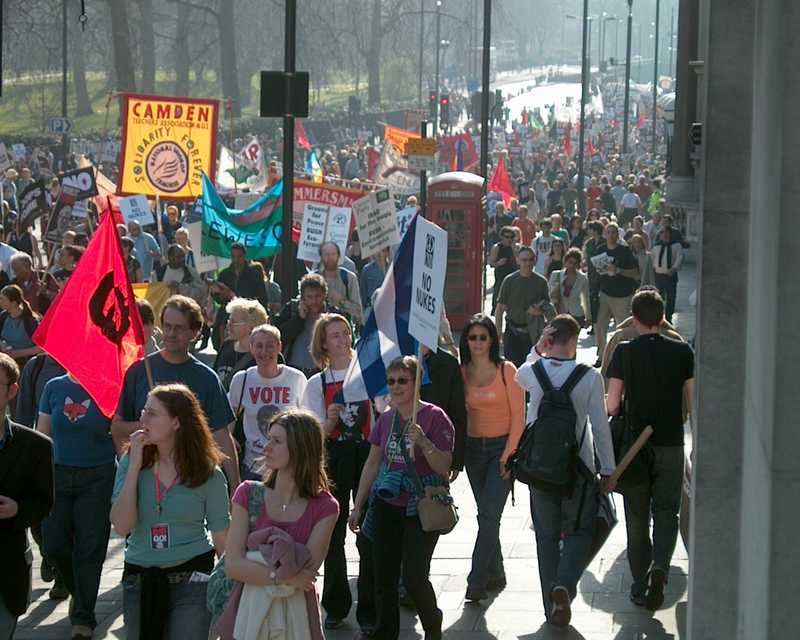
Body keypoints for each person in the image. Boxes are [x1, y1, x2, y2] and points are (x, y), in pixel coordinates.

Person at [515, 318, 615, 627]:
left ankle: (551, 608)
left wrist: (537, 348)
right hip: (577, 470)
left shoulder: (533, 372)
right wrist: (608, 469)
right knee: (582, 530)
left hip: (539, 469)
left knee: (545, 537)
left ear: (550, 339)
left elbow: (518, 372)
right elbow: (600, 427)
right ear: (574, 341)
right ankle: (565, 583)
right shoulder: (589, 377)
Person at [110, 384, 231, 639]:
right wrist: (133, 466)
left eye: (152, 413)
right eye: (144, 411)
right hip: (140, 578)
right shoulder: (131, 462)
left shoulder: (208, 472)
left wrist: (232, 591)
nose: (143, 419)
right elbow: (122, 526)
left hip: (193, 577)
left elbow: (222, 537)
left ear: (176, 422)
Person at [349, 356, 454, 640]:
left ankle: (432, 623)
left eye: (403, 380)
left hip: (419, 505)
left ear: (417, 382)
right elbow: (372, 464)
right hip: (386, 502)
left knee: (414, 576)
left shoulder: (434, 417)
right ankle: (386, 633)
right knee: (383, 576)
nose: (395, 386)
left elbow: (444, 467)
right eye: (391, 381)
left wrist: (424, 442)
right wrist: (358, 506)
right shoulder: (385, 419)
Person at [606, 290, 694, 611]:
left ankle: (639, 582)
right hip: (671, 441)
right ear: (662, 315)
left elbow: (613, 404)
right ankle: (660, 568)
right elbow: (692, 403)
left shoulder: (625, 352)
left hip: (635, 446)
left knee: (637, 514)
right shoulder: (683, 351)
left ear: (634, 317)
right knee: (667, 511)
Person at [223, 410, 338, 640]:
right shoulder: (247, 493)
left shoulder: (326, 507)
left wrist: (259, 568)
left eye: (276, 441)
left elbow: (306, 574)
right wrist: (284, 576)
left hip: (297, 620)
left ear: (300, 448)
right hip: (247, 613)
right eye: (269, 439)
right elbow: (233, 565)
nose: (267, 447)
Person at [112, 295, 240, 491]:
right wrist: (155, 426)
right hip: (146, 478)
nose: (171, 333)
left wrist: (235, 487)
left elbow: (221, 435)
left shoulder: (206, 378)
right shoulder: (138, 371)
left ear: (195, 332)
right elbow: (117, 428)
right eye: (167, 326)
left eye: (179, 328)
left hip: (192, 479)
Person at [301, 314, 375, 632]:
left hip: (367, 456)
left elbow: (384, 416)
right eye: (335, 335)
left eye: (346, 333)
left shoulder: (370, 375)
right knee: (332, 533)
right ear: (323, 343)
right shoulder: (316, 383)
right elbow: (310, 433)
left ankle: (370, 608)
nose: (343, 340)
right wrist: (329, 422)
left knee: (369, 533)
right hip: (332, 459)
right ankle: (335, 604)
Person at [37, 374, 116, 640]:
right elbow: (42, 434)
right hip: (57, 474)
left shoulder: (108, 386)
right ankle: (78, 591)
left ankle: (83, 617)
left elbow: (118, 433)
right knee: (54, 544)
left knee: (90, 548)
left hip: (98, 475)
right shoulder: (53, 386)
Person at [459, 315, 524, 602]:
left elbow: (520, 417)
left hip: (501, 449)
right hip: (473, 451)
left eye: (483, 337)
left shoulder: (507, 370)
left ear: (493, 340)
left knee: (488, 514)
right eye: (472, 337)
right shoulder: (461, 372)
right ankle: (496, 571)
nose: (477, 343)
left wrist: (508, 454)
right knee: (486, 514)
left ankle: (477, 579)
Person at [228, 324, 307, 481]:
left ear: (279, 347)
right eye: (259, 346)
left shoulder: (296, 378)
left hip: (288, 466)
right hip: (253, 465)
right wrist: (229, 437)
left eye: (270, 346)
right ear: (251, 348)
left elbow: (307, 420)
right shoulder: (242, 379)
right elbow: (229, 413)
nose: (264, 352)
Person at [494, 246, 551, 367]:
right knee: (513, 370)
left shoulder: (541, 282)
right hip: (512, 332)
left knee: (532, 370)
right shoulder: (509, 280)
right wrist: (498, 333)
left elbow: (548, 307)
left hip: (533, 334)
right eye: (524, 260)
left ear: (535, 261)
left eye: (530, 260)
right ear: (518, 260)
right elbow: (499, 310)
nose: (528, 263)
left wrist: (539, 311)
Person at [593, 223, 639, 368]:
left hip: (623, 295)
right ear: (605, 234)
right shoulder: (600, 250)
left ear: (617, 235)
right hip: (605, 293)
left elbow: (635, 273)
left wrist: (618, 270)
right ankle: (601, 356)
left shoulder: (625, 251)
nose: (611, 235)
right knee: (600, 326)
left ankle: (624, 355)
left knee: (623, 327)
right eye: (609, 232)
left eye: (614, 232)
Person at [210, 242, 271, 350]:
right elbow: (218, 300)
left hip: (246, 319)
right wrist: (217, 293)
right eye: (233, 256)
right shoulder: (225, 274)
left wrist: (233, 296)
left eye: (239, 256)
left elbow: (262, 299)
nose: (236, 260)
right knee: (223, 348)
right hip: (226, 318)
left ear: (244, 256)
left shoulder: (254, 275)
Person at [274, 273, 336, 377]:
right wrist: (299, 319)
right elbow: (279, 336)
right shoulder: (292, 309)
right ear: (302, 297)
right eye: (309, 297)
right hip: (294, 370)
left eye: (317, 296)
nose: (314, 301)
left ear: (324, 295)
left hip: (323, 371)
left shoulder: (333, 314)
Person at [213, 297, 268, 389]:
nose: (228, 325)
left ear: (251, 326)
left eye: (233, 322)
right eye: (229, 321)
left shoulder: (266, 354)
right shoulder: (227, 345)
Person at [317, 241, 363, 327]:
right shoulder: (315, 279)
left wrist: (341, 300)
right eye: (326, 254)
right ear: (321, 257)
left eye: (333, 254)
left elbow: (358, 312)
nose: (330, 258)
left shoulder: (349, 278)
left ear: (338, 256)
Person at [0, 284, 41, 369]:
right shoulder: (3, 317)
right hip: (5, 365)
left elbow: (41, 348)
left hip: (26, 366)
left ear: (14, 303)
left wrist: (18, 353)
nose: (0, 302)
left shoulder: (30, 322)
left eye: (2, 299)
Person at [549, 248, 590, 326]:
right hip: (559, 312)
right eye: (570, 262)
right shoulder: (556, 275)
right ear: (565, 262)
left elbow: (586, 298)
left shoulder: (583, 278)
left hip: (577, 314)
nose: (572, 265)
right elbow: (549, 294)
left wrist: (588, 317)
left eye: (575, 263)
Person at [651, 227, 683, 324]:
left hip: (670, 275)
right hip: (659, 275)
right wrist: (654, 268)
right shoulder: (656, 246)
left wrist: (674, 268)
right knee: (657, 296)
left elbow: (679, 257)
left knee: (671, 297)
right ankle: (657, 315)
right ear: (660, 235)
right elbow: (653, 258)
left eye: (667, 232)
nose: (665, 234)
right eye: (662, 233)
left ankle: (669, 316)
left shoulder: (676, 245)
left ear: (670, 233)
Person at [488, 227, 518, 314]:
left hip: (513, 278)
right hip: (501, 278)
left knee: (513, 304)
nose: (509, 239)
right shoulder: (497, 247)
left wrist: (513, 249)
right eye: (507, 237)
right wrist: (498, 263)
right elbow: (491, 263)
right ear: (502, 237)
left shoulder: (516, 247)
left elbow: (520, 262)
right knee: (498, 303)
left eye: (511, 237)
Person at [359, 246, 389, 314]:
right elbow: (362, 293)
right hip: (371, 308)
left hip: (388, 308)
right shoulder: (366, 270)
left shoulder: (392, 268)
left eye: (383, 251)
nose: (379, 253)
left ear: (387, 253)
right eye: (377, 251)